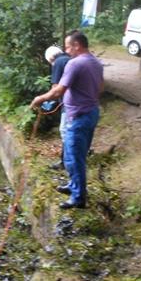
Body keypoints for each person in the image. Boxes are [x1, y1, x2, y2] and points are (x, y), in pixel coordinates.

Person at [31, 31, 103, 209]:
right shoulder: (96, 62)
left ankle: (78, 198)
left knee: (73, 158)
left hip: (78, 116)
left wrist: (39, 99)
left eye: (68, 47)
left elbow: (58, 91)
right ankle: (73, 185)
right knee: (79, 154)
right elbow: (100, 88)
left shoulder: (75, 63)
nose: (66, 50)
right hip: (91, 112)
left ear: (77, 45)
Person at [44, 45, 71, 170]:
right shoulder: (69, 59)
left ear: (50, 59)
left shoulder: (59, 62)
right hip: (79, 102)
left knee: (65, 130)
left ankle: (65, 161)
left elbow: (55, 88)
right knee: (73, 130)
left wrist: (46, 100)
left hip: (69, 104)